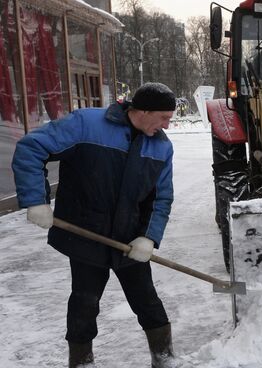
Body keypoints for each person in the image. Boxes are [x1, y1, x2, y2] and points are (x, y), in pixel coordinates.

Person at [12, 82, 179, 367]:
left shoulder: (161, 146)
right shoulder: (86, 124)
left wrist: (148, 238)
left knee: (147, 301)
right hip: (85, 236)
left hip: (129, 241)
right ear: (145, 110)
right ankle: (81, 362)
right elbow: (31, 147)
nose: (166, 125)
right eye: (163, 117)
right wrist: (36, 200)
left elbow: (161, 198)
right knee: (84, 304)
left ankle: (164, 358)